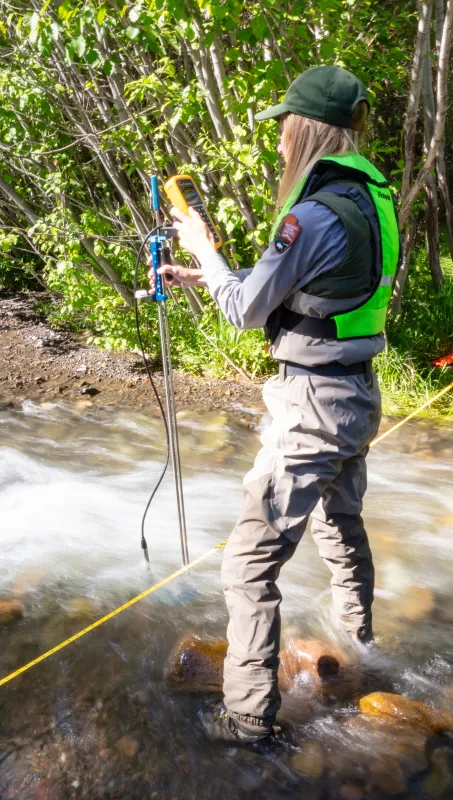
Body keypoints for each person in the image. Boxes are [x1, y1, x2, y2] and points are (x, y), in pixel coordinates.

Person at [149, 65, 400, 743]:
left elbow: (245, 311)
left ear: (304, 129)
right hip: (357, 394)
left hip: (312, 406)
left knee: (249, 563)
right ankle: (359, 654)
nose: (282, 139)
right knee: (340, 530)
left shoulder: (311, 215)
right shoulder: (374, 198)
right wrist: (214, 275)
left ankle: (249, 719)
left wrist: (202, 244)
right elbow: (318, 293)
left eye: (287, 126)